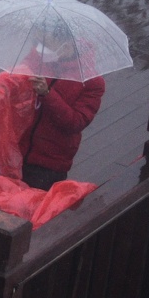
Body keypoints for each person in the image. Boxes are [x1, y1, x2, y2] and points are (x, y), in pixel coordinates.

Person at [21, 42, 106, 190]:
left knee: (37, 202)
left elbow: (75, 122)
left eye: (51, 44)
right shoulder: (42, 61)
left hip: (50, 162)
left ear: (68, 47)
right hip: (21, 152)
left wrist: (47, 94)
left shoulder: (92, 82)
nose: (44, 48)